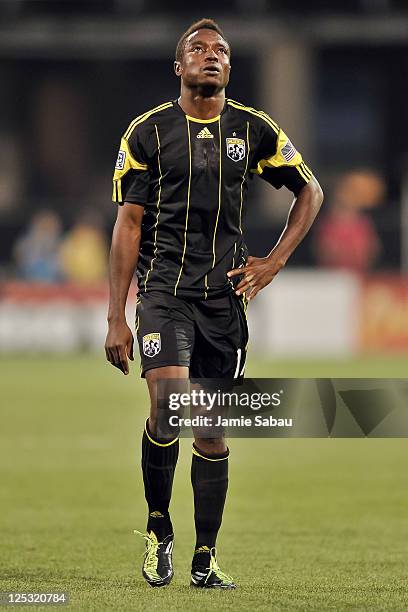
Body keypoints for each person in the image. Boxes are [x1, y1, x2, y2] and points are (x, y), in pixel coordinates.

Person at [105, 18, 323, 589]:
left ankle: (204, 558)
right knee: (169, 405)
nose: (212, 56)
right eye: (198, 50)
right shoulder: (147, 133)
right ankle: (159, 530)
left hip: (224, 304)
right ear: (179, 67)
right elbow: (128, 225)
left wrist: (274, 261)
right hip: (163, 293)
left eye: (221, 50)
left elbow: (310, 190)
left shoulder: (253, 129)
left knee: (211, 429)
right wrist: (115, 316)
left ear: (230, 67)